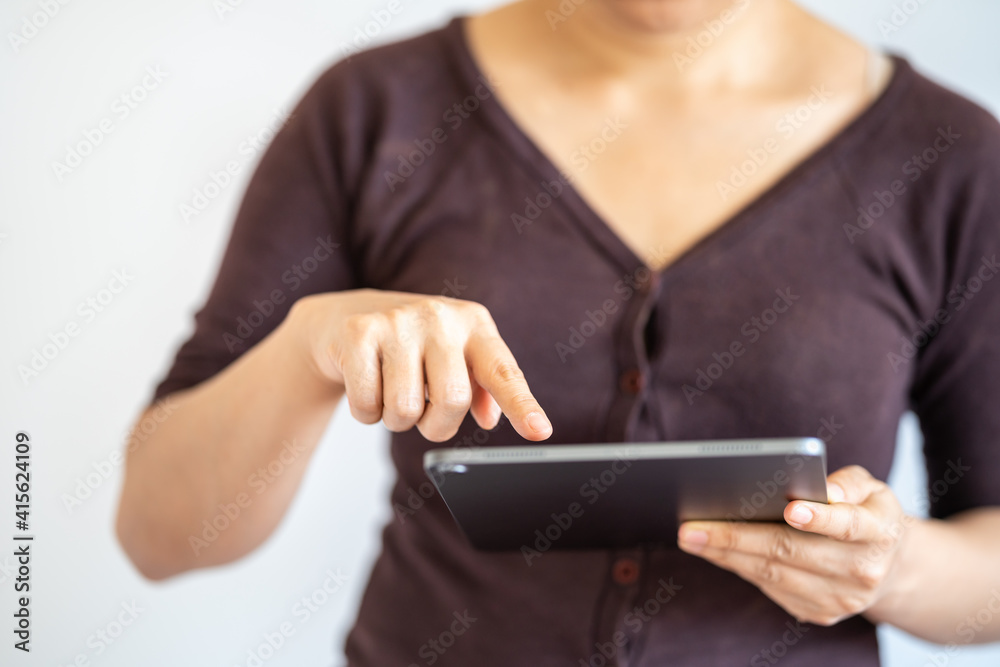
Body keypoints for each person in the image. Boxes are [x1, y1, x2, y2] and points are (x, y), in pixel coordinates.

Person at [115, 0, 1000, 664]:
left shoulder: (949, 158)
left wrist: (892, 569)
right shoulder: (376, 109)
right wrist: (307, 349)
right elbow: (160, 533)